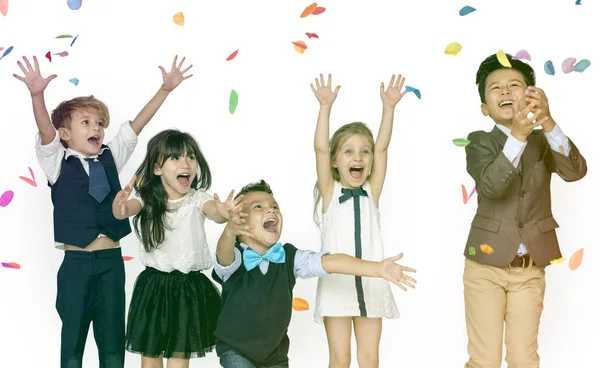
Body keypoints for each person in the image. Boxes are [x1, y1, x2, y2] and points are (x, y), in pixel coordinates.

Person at [13, 54, 192, 368]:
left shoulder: (111, 155)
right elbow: (46, 132)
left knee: (112, 345)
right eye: (86, 123)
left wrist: (164, 90)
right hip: (76, 265)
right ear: (65, 134)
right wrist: (37, 95)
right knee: (73, 342)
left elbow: (136, 125)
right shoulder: (55, 161)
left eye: (99, 123)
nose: (96, 128)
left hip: (111, 264)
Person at [462, 53, 587, 367]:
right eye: (496, 88)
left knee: (524, 358)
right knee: (484, 360)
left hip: (530, 269)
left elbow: (575, 172)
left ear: (531, 95)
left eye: (514, 85)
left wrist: (547, 122)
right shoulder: (478, 143)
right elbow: (491, 186)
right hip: (484, 268)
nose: (505, 92)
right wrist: (517, 134)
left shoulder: (543, 141)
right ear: (484, 108)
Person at [212, 180, 417, 368]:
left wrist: (377, 268)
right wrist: (229, 231)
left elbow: (331, 262)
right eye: (259, 207)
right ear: (239, 222)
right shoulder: (235, 258)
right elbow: (223, 253)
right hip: (236, 348)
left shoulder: (290, 257)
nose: (271, 210)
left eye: (275, 207)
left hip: (274, 353)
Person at [311, 73, 410, 367]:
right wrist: (325, 107)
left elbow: (382, 148)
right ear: (335, 160)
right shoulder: (330, 191)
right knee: (339, 360)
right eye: (349, 151)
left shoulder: (371, 191)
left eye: (363, 152)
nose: (359, 157)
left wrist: (389, 109)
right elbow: (319, 148)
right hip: (336, 285)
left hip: (372, 283)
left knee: (370, 360)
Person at [113, 129, 231, 368]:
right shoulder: (146, 198)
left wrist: (224, 212)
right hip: (154, 287)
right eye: (175, 158)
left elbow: (215, 213)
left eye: (190, 157)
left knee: (179, 357)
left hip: (188, 288)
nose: (185, 163)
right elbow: (124, 211)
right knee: (151, 355)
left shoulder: (198, 198)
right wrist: (120, 206)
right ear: (157, 169)